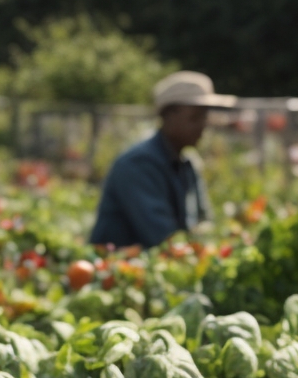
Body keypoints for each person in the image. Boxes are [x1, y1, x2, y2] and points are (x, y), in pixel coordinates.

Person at [89, 70, 236, 249]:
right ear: (169, 116)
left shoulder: (188, 163)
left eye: (205, 116)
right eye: (195, 117)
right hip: (120, 271)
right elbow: (162, 239)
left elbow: (203, 223)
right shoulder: (137, 165)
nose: (203, 125)